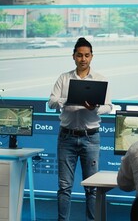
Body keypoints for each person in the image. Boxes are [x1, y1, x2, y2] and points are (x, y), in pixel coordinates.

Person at [48, 37, 113, 221]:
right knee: (64, 186)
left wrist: (96, 108)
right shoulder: (64, 78)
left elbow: (109, 106)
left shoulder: (100, 79)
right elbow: (51, 102)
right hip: (66, 137)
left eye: (86, 55)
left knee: (92, 188)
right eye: (79, 55)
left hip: (90, 138)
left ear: (92, 57)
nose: (83, 59)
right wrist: (67, 100)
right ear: (73, 56)